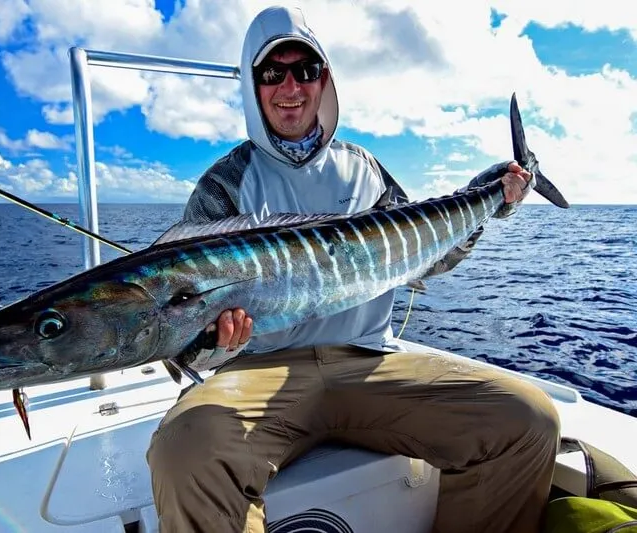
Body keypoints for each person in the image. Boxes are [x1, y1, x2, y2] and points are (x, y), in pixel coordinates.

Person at [146, 6, 560, 533]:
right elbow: (188, 337)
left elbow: (425, 257)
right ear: (253, 85)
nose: (290, 86)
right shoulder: (224, 185)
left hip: (371, 363)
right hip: (260, 372)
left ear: (325, 80)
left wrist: (490, 200)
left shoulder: (365, 169)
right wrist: (216, 341)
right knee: (185, 451)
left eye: (305, 70)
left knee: (527, 419)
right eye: (272, 73)